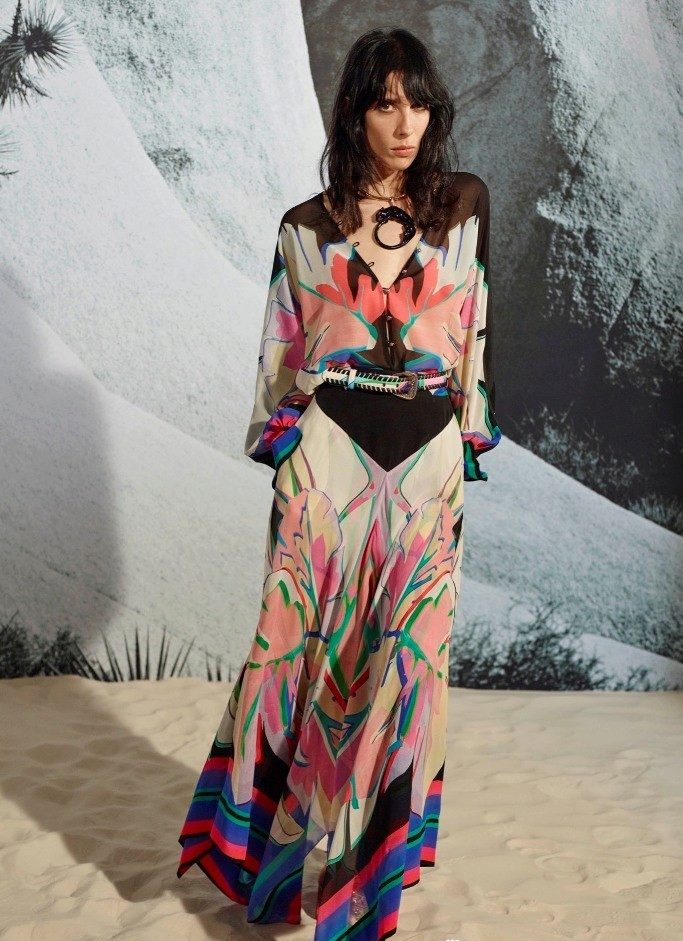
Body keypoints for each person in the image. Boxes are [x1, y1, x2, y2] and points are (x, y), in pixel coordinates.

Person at [177, 26, 502, 941]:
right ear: (354, 111)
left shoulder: (464, 207)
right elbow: (280, 360)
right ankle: (275, 872)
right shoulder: (305, 227)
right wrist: (288, 460)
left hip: (427, 468)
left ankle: (363, 893)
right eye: (385, 103)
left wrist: (464, 441)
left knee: (407, 668)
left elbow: (475, 338)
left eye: (418, 104)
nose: (405, 123)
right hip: (325, 467)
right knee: (297, 658)